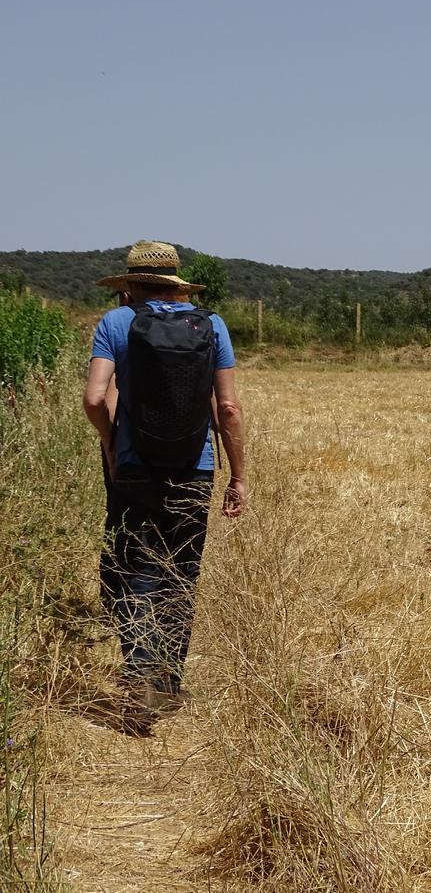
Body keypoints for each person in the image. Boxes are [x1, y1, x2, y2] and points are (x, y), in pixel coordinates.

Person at [82, 241, 246, 734]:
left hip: (134, 467)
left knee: (135, 565)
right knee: (182, 568)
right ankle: (170, 682)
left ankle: (137, 674)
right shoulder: (211, 325)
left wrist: (114, 445)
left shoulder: (115, 324)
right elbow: (229, 410)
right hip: (194, 467)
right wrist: (237, 475)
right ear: (176, 284)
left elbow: (94, 398)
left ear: (128, 285)